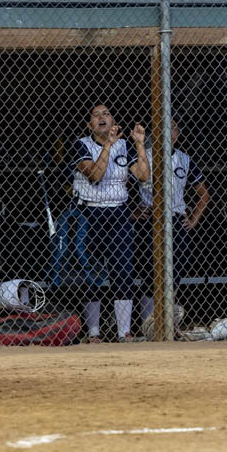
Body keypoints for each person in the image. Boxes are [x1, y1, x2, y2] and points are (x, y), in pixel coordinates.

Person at [73, 104, 149, 342]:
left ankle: (123, 332)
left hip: (119, 213)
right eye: (96, 115)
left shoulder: (124, 145)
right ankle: (93, 333)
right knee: (92, 273)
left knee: (123, 271)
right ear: (89, 124)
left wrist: (139, 144)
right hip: (90, 213)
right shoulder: (81, 145)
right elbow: (95, 175)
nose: (101, 117)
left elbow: (144, 175)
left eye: (106, 114)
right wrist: (107, 145)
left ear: (114, 121)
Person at [135, 120, 210, 335]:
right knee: (150, 274)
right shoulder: (145, 156)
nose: (169, 131)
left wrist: (193, 219)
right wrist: (134, 212)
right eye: (164, 126)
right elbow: (125, 185)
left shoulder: (184, 159)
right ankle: (149, 328)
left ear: (178, 133)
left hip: (176, 219)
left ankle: (168, 324)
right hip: (151, 219)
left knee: (174, 275)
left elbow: (204, 194)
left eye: (174, 127)